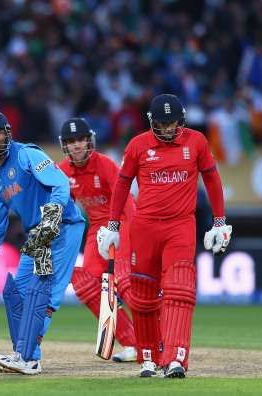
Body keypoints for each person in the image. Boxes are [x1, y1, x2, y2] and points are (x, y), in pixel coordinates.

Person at [97, 94, 232, 378]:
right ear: (152, 122)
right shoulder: (138, 144)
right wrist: (112, 226)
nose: (169, 129)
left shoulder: (196, 141)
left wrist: (219, 222)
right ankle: (149, 358)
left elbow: (212, 179)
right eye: (162, 124)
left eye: (172, 124)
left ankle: (175, 358)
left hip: (181, 226)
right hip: (144, 227)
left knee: (179, 291)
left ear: (180, 121)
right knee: (143, 296)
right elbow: (122, 185)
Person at [0, 110, 85, 375]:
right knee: (19, 292)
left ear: (8, 133)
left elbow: (60, 184)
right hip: (37, 233)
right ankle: (27, 356)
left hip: (64, 226)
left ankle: (27, 357)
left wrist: (52, 215)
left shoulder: (27, 154)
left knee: (45, 295)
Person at [57, 117, 137, 363]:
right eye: (71, 141)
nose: (77, 145)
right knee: (88, 285)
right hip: (96, 230)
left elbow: (128, 204)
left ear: (89, 140)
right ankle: (133, 344)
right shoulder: (62, 171)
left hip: (121, 223)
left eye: (81, 139)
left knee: (127, 284)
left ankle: (156, 341)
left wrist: (134, 238)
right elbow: (59, 207)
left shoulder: (105, 165)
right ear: (65, 146)